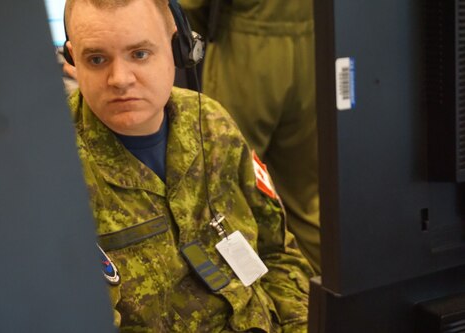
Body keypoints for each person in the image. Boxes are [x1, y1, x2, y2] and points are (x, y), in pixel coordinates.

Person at [63, 0, 314, 331]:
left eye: (139, 54)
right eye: (97, 59)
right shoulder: (56, 169)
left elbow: (278, 255)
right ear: (72, 62)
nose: (120, 79)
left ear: (179, 49)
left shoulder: (212, 123)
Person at [180, 0, 321, 273]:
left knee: (221, 190)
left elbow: (191, 4)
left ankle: (240, 300)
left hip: (247, 50)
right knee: (306, 198)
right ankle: (328, 300)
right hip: (313, 47)